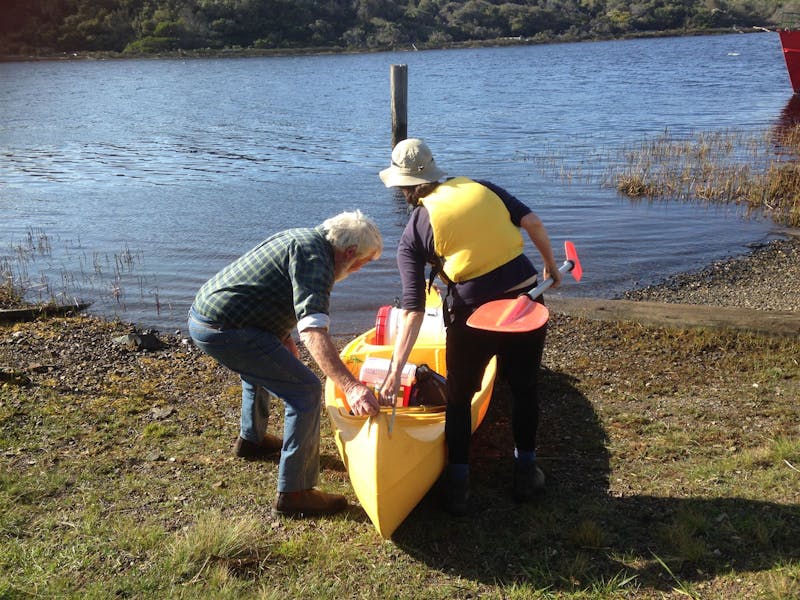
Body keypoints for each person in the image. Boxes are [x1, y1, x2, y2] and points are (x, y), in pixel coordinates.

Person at [377, 138, 561, 516]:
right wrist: (551, 266)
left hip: (472, 318)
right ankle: (526, 473)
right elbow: (533, 222)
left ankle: (458, 486)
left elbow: (412, 311)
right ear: (434, 168)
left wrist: (396, 371)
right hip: (525, 303)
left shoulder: (413, 235)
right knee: (525, 389)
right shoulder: (484, 188)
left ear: (404, 188)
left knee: (459, 400)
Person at [188, 210, 383, 517]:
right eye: (362, 263)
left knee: (259, 365)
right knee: (306, 391)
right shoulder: (318, 263)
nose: (357, 270)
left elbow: (265, 293)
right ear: (349, 253)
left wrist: (280, 336)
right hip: (224, 329)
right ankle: (295, 493)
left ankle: (252, 440)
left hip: (209, 318)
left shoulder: (302, 238)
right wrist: (352, 387)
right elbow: (313, 331)